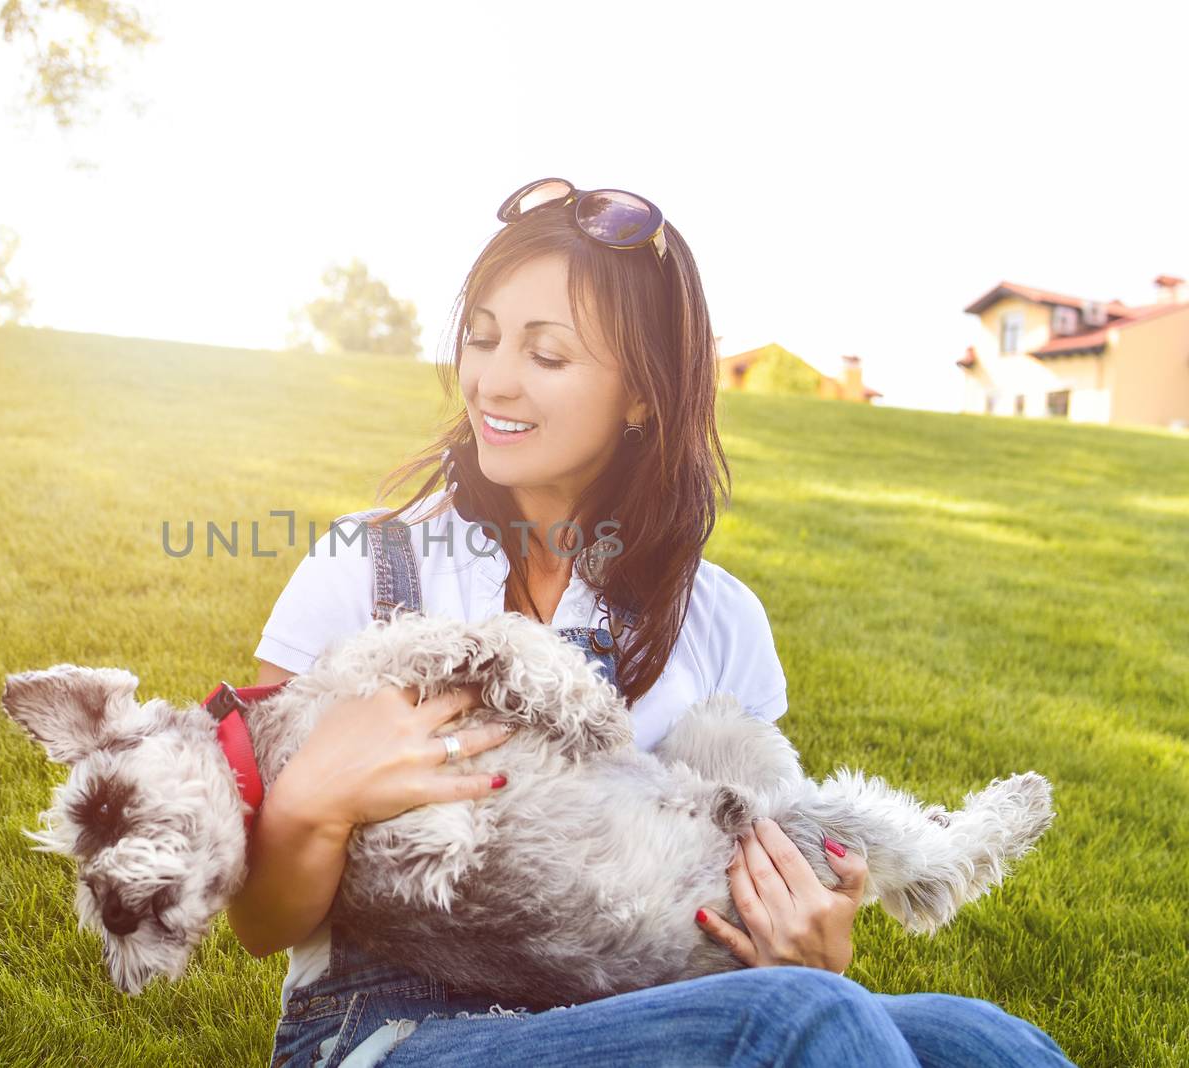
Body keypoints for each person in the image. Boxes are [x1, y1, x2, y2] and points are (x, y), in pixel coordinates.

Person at [226, 179, 1076, 1067]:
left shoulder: (720, 619)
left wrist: (812, 947)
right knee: (799, 1025)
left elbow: (755, 877)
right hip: (388, 1031)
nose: (493, 380)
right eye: (481, 339)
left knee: (988, 1044)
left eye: (546, 355)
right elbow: (259, 922)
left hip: (644, 1003)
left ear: (642, 396)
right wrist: (315, 798)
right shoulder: (367, 567)